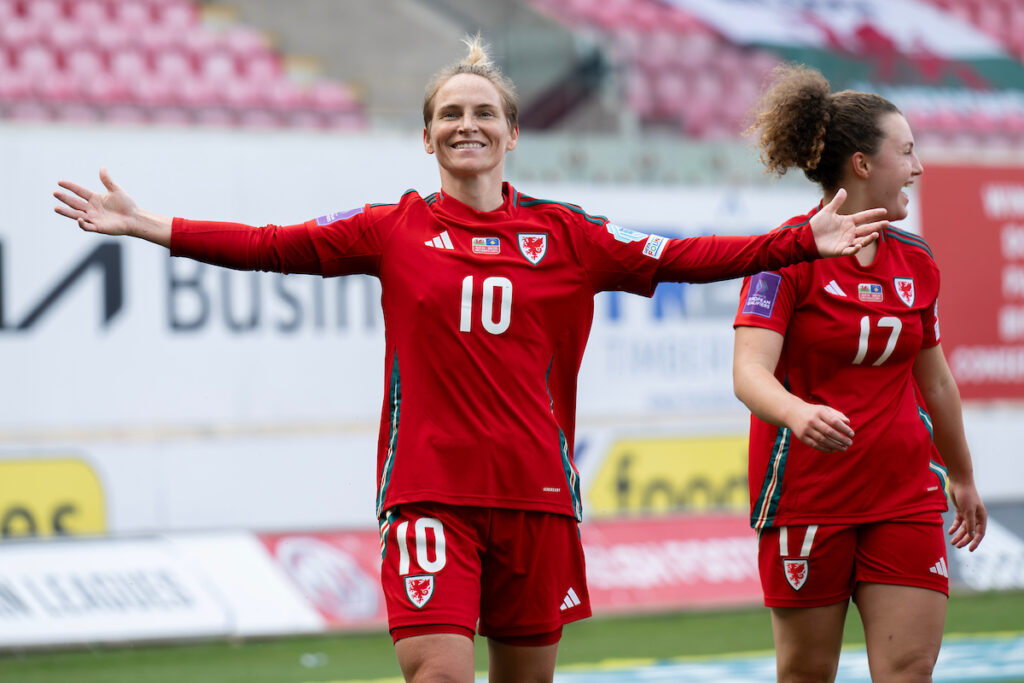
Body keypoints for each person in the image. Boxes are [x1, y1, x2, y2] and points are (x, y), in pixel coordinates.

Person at [54, 38, 889, 683]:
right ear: (427, 136)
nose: (467, 125)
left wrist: (792, 241)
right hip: (429, 496)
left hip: (537, 500)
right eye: (450, 114)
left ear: (512, 133)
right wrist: (153, 225)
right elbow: (274, 245)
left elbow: (681, 255)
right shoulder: (393, 228)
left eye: (484, 113)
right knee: (440, 671)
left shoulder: (570, 236)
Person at [732, 65, 987, 683]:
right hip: (808, 496)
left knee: (908, 670)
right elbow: (749, 374)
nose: (918, 166)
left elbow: (938, 383)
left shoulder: (917, 261)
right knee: (806, 673)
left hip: (905, 495)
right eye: (906, 151)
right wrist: (798, 413)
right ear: (862, 166)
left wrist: (962, 476)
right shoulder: (783, 255)